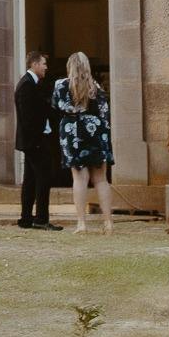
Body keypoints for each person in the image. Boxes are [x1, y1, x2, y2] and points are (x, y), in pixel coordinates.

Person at [51, 51, 114, 235]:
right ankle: (108, 222)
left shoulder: (61, 85)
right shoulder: (95, 87)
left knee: (80, 179)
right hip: (96, 131)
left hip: (73, 133)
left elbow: (57, 106)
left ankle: (82, 224)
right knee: (101, 180)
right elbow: (104, 113)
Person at [14, 50, 61, 231]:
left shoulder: (32, 84)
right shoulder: (26, 85)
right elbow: (28, 118)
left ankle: (26, 218)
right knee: (43, 178)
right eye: (43, 63)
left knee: (31, 179)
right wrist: (39, 138)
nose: (46, 67)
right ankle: (41, 218)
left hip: (33, 141)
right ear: (34, 64)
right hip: (34, 141)